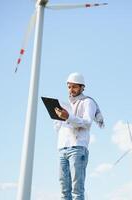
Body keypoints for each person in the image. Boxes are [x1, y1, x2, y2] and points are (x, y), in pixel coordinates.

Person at [53, 72, 104, 200]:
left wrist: (68, 117)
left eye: (75, 87)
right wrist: (59, 118)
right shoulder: (66, 105)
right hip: (62, 148)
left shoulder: (88, 102)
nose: (71, 90)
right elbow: (58, 128)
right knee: (64, 191)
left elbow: (87, 123)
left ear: (82, 87)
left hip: (77, 148)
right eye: (69, 87)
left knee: (77, 190)